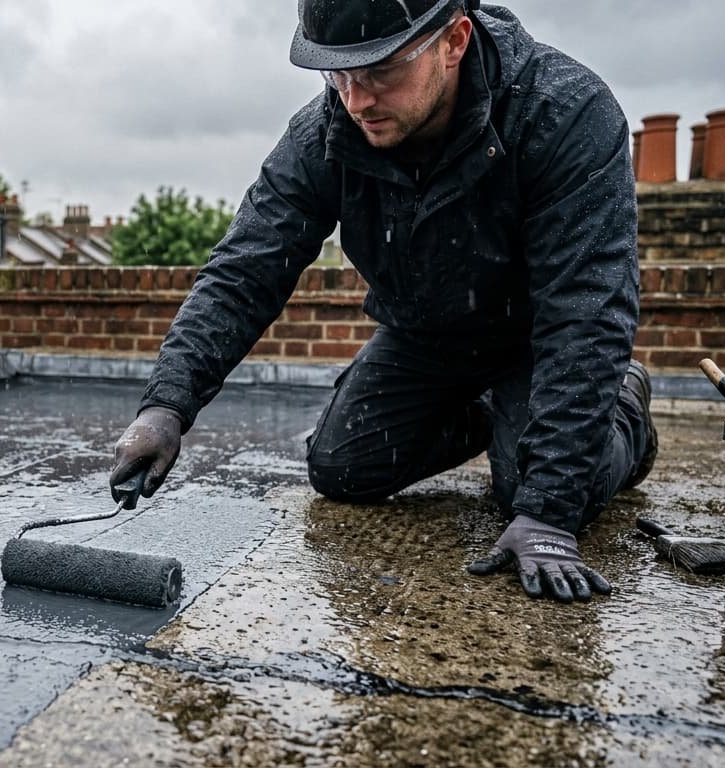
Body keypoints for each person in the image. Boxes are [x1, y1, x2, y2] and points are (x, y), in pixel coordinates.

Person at [109, 0, 657, 604]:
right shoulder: (326, 133)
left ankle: (623, 406)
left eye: (379, 72)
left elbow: (587, 308)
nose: (355, 100)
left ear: (454, 41)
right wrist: (166, 404)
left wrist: (551, 513)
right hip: (425, 336)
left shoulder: (565, 113)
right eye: (338, 75)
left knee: (532, 486)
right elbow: (245, 270)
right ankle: (495, 415)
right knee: (342, 470)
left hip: (535, 341)